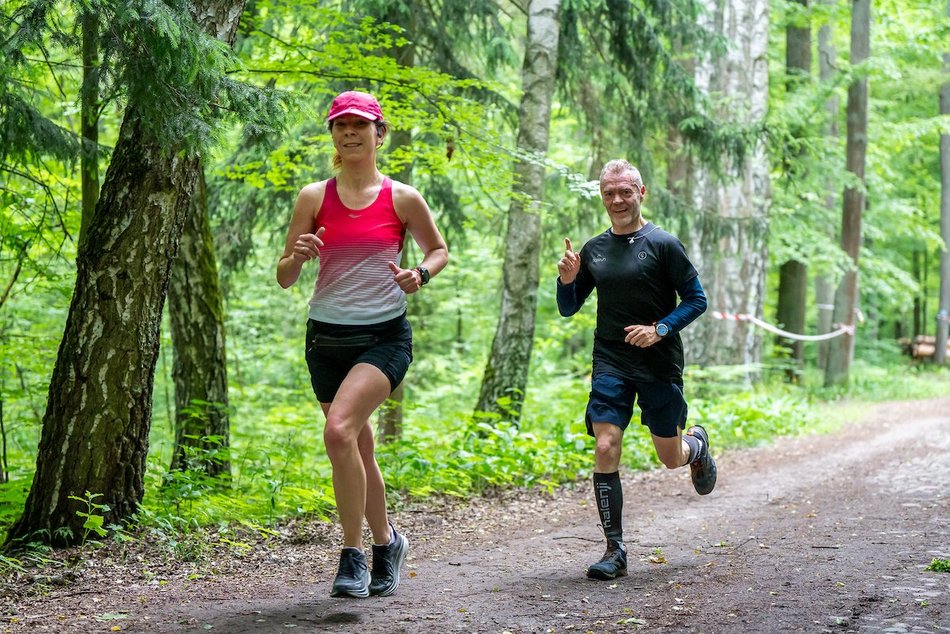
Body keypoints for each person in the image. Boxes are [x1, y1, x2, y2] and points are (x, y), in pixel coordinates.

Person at [276, 90, 448, 598]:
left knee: (338, 432)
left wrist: (419, 273)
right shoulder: (313, 197)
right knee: (358, 444)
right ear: (332, 135)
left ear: (379, 133)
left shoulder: (402, 198)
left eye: (359, 124)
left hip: (383, 337)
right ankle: (386, 542)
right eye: (340, 125)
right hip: (325, 337)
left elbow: (438, 250)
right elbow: (284, 276)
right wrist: (299, 255)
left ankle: (351, 554)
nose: (349, 132)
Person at [555, 159, 715, 581]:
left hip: (658, 361)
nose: (617, 200)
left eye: (625, 191)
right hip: (610, 359)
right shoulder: (594, 249)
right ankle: (615, 549)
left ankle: (695, 447)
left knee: (669, 457)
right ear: (602, 196)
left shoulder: (663, 244)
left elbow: (697, 300)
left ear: (641, 193)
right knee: (606, 445)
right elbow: (569, 308)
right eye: (609, 193)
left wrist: (660, 329)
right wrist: (567, 280)